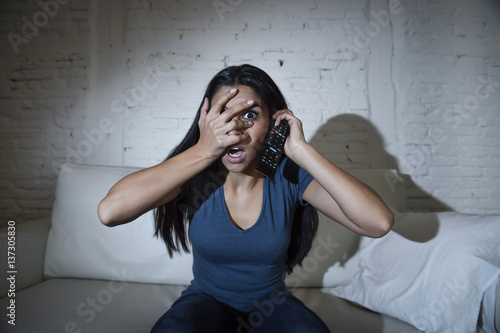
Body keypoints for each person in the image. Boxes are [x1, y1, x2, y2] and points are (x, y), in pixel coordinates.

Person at [97, 64, 394, 332]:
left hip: (272, 305)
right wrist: (202, 150)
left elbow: (377, 223)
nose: (236, 128)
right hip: (205, 301)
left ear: (273, 122)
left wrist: (302, 151)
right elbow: (110, 212)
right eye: (224, 114)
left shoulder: (289, 176)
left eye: (250, 115)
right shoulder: (193, 173)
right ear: (207, 120)